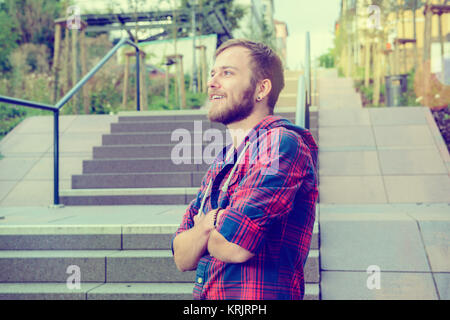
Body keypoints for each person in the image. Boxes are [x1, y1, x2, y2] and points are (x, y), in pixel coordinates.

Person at [171, 39, 318, 300]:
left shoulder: (281, 144)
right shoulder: (223, 161)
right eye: (212, 73)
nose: (212, 83)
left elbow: (234, 245)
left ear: (262, 88)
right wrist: (212, 224)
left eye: (227, 73)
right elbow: (182, 256)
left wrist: (203, 226)